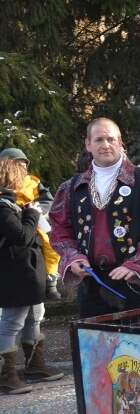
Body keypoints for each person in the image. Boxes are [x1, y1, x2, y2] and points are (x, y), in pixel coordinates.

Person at [49, 118, 140, 318]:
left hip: (134, 281)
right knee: (96, 346)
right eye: (98, 140)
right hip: (92, 282)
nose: (105, 145)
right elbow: (59, 229)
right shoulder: (71, 187)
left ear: (120, 142)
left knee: (138, 346)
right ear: (88, 145)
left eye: (110, 139)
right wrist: (73, 257)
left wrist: (137, 263)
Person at [0, 157, 65, 394]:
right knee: (11, 322)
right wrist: (32, 215)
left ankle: (34, 366)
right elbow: (23, 237)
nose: (27, 179)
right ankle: (6, 376)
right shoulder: (3, 206)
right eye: (22, 174)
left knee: (34, 317)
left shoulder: (12, 205)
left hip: (27, 272)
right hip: (13, 273)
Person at [1, 148, 61, 299]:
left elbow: (47, 200)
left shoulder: (33, 182)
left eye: (24, 166)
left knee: (50, 244)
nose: (22, 169)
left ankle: (51, 280)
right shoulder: (4, 190)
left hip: (34, 216)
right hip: (16, 222)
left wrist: (35, 209)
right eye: (18, 165)